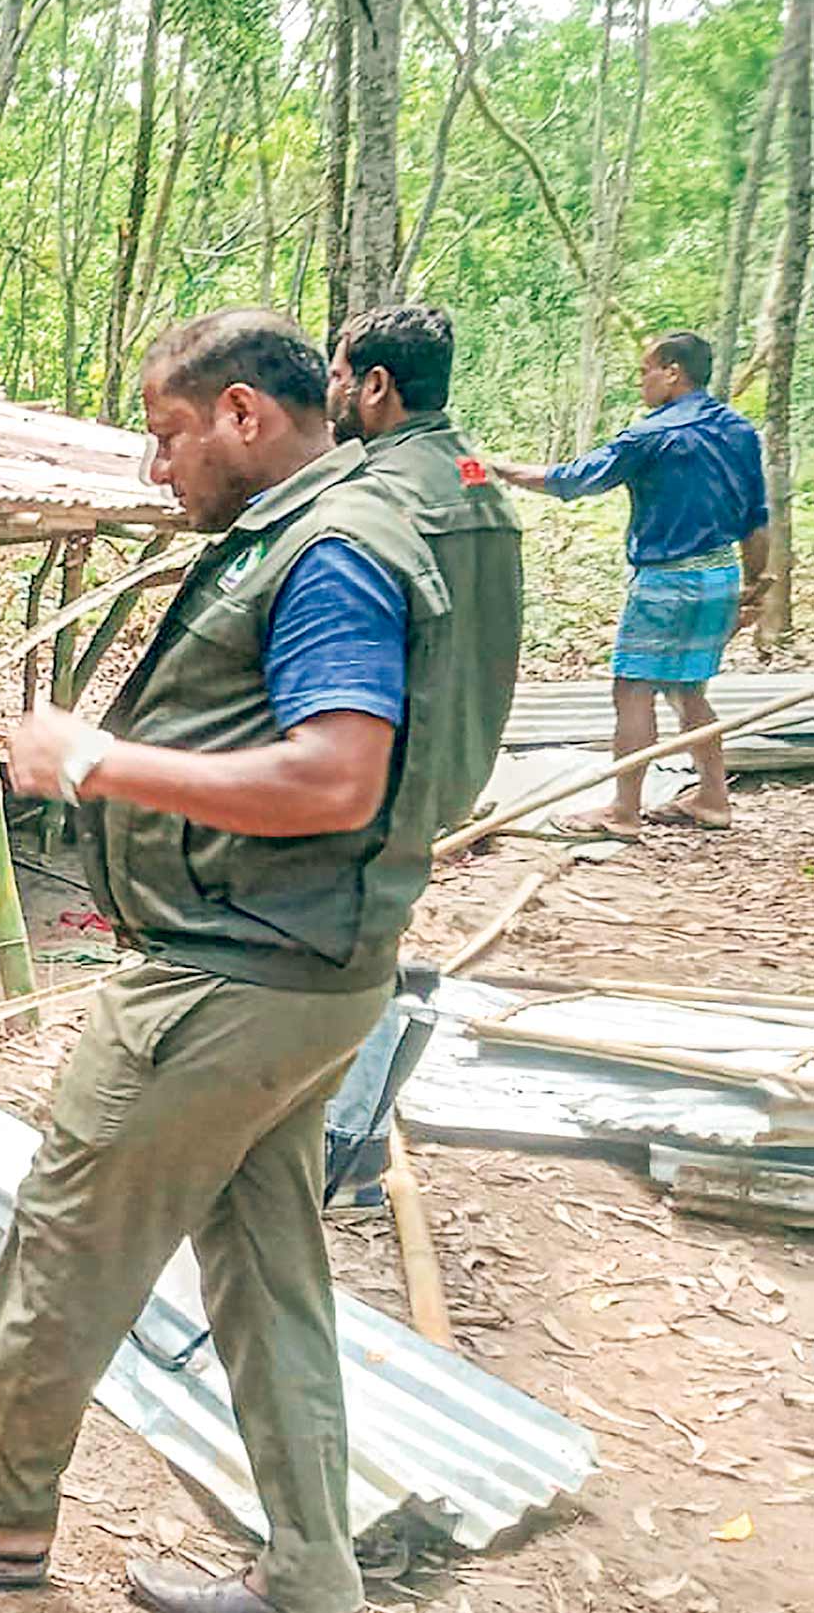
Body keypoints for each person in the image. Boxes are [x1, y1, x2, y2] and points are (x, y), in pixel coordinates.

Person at [0, 310, 521, 1613]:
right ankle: (311, 1568)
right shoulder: (330, 526)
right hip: (311, 966)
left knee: (67, 1232)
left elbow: (333, 772)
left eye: (166, 436)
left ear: (245, 416)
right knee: (266, 1274)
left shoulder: (330, 553)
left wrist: (92, 759)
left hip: (229, 975)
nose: (155, 468)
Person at [318, 304, 525, 1204]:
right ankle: (346, 1139)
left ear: (375, 386)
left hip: (384, 767)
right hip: (449, 760)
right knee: (376, 928)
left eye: (339, 374)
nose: (331, 391)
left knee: (342, 952)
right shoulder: (478, 480)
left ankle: (343, 1152)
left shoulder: (379, 499)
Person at [493, 333, 770, 838]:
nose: (640, 381)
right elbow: (757, 518)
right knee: (689, 689)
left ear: (672, 371)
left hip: (667, 582)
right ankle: (712, 798)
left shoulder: (651, 436)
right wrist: (757, 584)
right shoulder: (739, 430)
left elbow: (575, 479)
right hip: (721, 573)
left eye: (645, 370)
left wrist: (500, 470)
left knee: (633, 692)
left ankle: (623, 811)